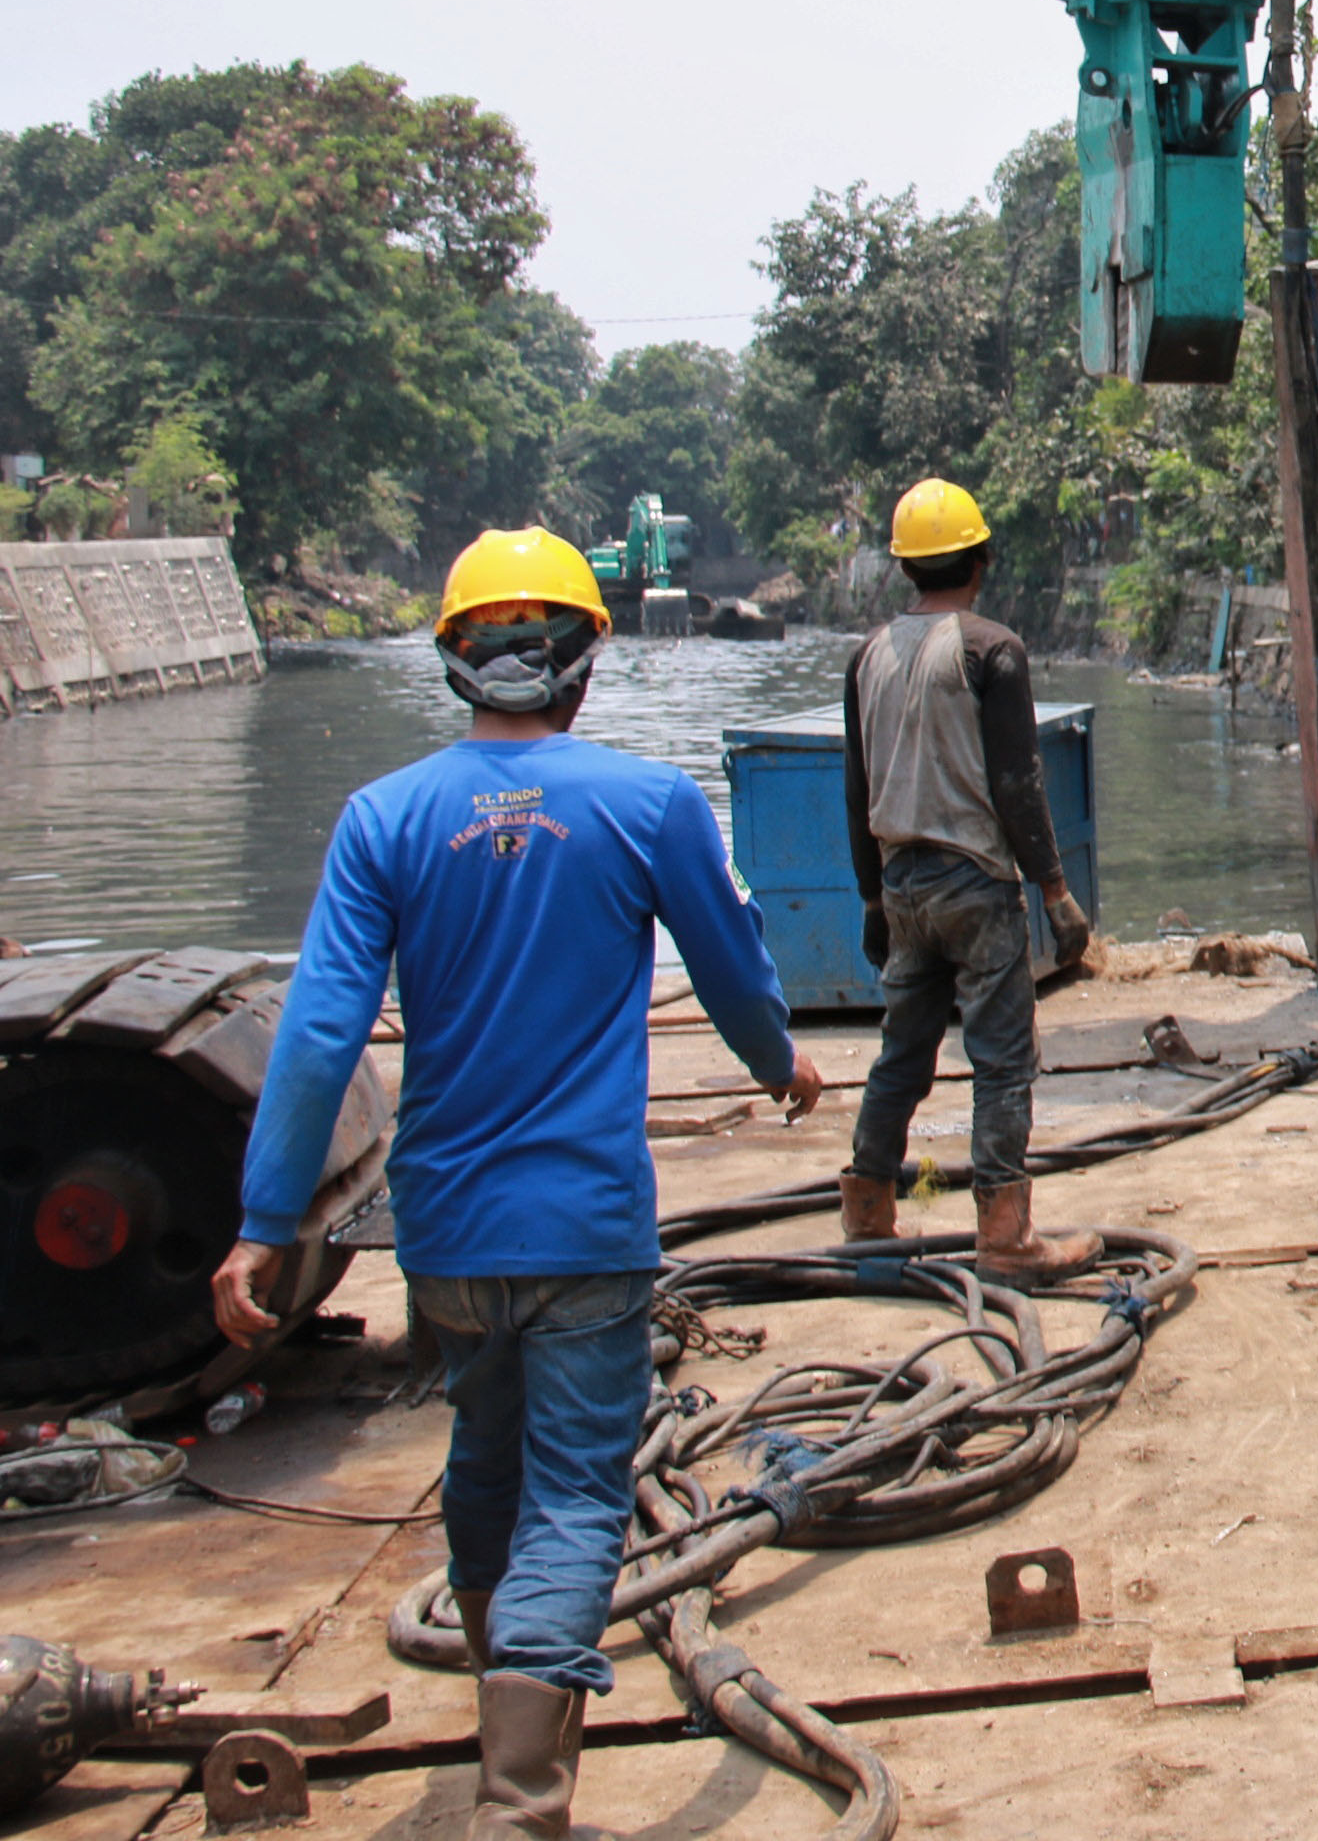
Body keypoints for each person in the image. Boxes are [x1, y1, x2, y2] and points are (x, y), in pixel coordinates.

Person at [213, 528, 817, 1841]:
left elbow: (321, 1034)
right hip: (588, 1232)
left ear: (454, 665)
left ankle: (508, 1706)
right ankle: (519, 1803)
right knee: (577, 1498)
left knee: (483, 1465)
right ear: (585, 666)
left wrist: (266, 1225)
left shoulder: (383, 820)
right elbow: (731, 968)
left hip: (445, 1238)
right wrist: (781, 1064)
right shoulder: (647, 805)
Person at [833, 476, 1100, 1278]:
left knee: (901, 1055)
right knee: (1003, 1059)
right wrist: (1056, 894)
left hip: (903, 883)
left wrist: (872, 900)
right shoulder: (992, 651)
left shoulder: (867, 658)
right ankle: (1006, 1236)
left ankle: (869, 1217)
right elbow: (1019, 784)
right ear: (980, 560)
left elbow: (855, 789)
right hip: (977, 884)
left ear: (904, 569)